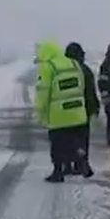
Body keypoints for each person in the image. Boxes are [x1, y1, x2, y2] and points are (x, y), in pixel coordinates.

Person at [34, 41, 89, 182]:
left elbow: (43, 91)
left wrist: (40, 110)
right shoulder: (74, 64)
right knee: (75, 140)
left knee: (58, 145)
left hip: (59, 115)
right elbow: (82, 85)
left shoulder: (48, 67)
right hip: (77, 111)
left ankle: (58, 172)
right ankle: (82, 160)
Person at [64, 42, 100, 177]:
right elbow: (90, 91)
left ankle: (67, 164)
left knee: (66, 138)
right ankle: (81, 163)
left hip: (65, 111)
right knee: (81, 139)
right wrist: (94, 107)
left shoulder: (62, 71)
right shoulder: (85, 70)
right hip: (82, 111)